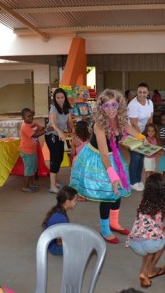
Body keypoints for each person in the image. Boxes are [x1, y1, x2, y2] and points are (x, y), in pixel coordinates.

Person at [70, 89, 141, 244]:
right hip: (98, 159)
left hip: (113, 156)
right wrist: (113, 176)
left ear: (119, 106)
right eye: (106, 106)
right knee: (107, 194)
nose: (110, 109)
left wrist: (142, 138)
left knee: (118, 192)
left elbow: (129, 129)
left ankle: (114, 222)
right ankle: (105, 229)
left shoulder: (120, 119)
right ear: (101, 107)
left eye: (114, 105)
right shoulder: (99, 125)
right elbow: (103, 154)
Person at [126, 173, 165, 289]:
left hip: (134, 242)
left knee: (149, 238)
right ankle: (150, 270)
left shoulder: (143, 200)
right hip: (150, 244)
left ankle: (144, 271)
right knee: (163, 234)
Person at [45, 88, 73, 194]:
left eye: (62, 97)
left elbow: (70, 121)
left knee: (60, 157)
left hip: (61, 136)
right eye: (58, 98)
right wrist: (60, 132)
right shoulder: (53, 109)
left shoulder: (67, 108)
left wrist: (73, 130)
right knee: (55, 158)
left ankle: (55, 182)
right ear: (54, 98)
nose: (60, 100)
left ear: (65, 97)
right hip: (52, 135)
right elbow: (53, 123)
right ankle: (52, 186)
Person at [128, 82, 154, 191]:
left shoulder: (150, 102)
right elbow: (134, 125)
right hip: (131, 132)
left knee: (142, 157)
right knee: (135, 157)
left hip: (143, 132)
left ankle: (139, 180)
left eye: (144, 92)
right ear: (137, 92)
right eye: (139, 92)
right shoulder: (133, 105)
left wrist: (149, 135)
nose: (141, 94)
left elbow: (150, 119)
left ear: (148, 93)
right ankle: (132, 182)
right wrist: (141, 139)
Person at [19, 108, 51, 193]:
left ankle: (31, 184)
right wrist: (47, 130)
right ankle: (25, 186)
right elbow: (35, 135)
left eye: (31, 116)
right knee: (29, 169)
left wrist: (48, 126)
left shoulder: (33, 124)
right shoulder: (25, 126)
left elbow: (41, 128)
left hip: (32, 150)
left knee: (33, 168)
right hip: (27, 151)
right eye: (28, 117)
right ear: (23, 117)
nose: (30, 118)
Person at [41, 185, 78, 255]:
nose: (77, 202)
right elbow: (59, 240)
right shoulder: (61, 218)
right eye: (75, 200)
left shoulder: (58, 209)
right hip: (54, 247)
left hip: (51, 242)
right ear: (67, 202)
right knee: (80, 245)